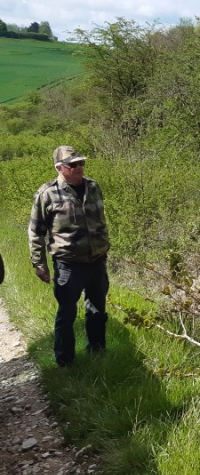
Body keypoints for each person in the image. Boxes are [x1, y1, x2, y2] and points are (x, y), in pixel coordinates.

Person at [29, 146, 110, 367]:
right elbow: (36, 231)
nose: (79, 168)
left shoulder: (93, 187)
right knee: (67, 313)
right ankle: (65, 361)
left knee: (97, 309)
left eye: (81, 163)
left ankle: (97, 351)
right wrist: (39, 263)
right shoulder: (47, 193)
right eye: (73, 165)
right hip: (68, 265)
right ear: (59, 168)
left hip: (97, 261)